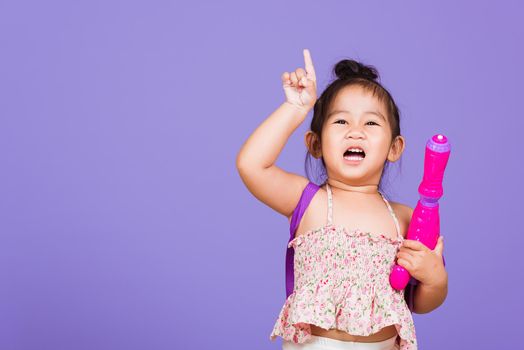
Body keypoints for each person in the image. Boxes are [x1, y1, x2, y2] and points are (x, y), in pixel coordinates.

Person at [236, 49, 448, 350]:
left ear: (395, 148)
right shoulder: (308, 201)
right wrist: (295, 109)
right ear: (316, 143)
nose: (356, 132)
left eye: (371, 124)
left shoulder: (406, 218)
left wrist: (435, 278)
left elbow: (420, 302)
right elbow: (251, 164)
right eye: (341, 122)